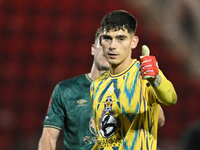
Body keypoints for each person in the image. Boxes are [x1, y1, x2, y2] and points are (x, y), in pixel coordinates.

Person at [90, 10, 177, 150]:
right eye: (107, 38)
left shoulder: (144, 73)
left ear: (133, 42)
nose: (112, 45)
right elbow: (105, 138)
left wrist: (156, 79)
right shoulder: (96, 85)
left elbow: (171, 98)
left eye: (121, 39)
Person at [38, 28, 110, 150]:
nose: (109, 49)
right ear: (93, 49)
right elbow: (48, 137)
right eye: (104, 44)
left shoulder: (131, 91)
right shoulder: (66, 90)